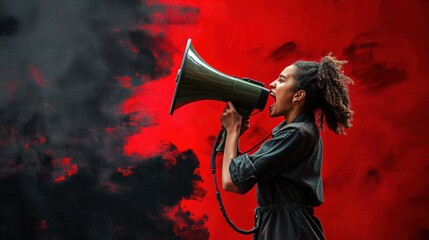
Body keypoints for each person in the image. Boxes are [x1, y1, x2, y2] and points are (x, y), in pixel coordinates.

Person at [220, 55, 353, 240]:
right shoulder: (300, 132)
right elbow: (235, 179)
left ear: (298, 95)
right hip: (284, 226)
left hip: (287, 229)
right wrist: (233, 135)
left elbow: (231, 182)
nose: (272, 84)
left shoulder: (295, 134)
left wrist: (233, 131)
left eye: (281, 80)